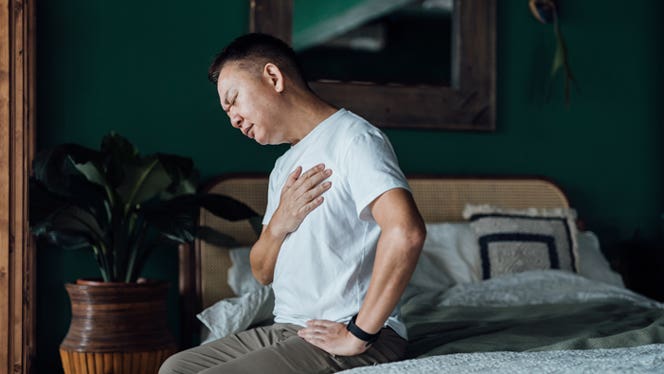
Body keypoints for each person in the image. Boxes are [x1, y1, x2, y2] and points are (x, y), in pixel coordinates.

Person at [160, 33, 426, 374]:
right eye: (228, 112)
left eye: (234, 100)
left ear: (273, 77)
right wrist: (281, 221)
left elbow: (406, 232)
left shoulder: (354, 138)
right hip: (290, 328)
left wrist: (359, 333)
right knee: (174, 369)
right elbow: (261, 271)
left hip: (351, 330)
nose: (233, 120)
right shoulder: (284, 167)